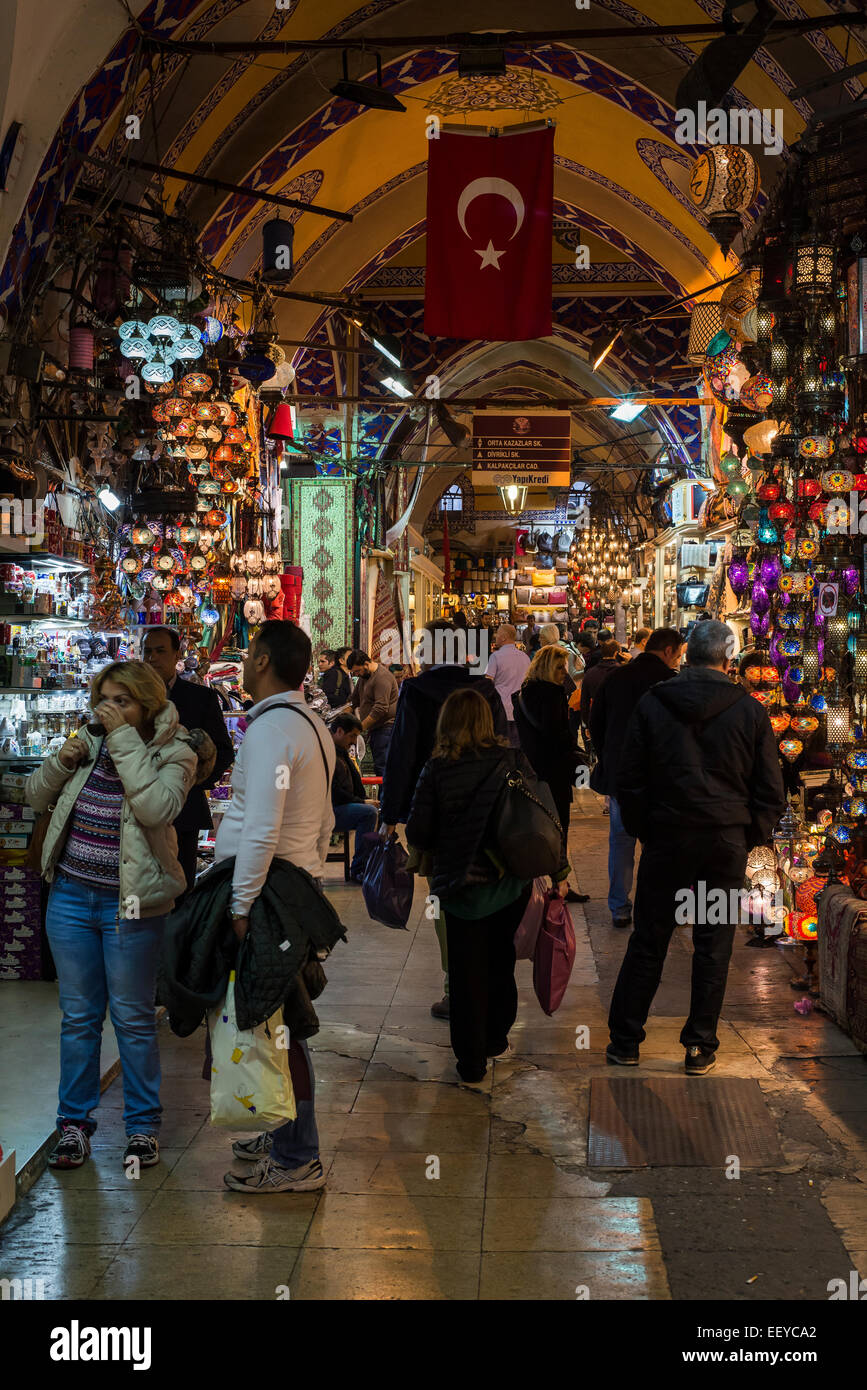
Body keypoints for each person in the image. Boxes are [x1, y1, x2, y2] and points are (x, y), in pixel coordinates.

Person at [26, 662, 197, 1171]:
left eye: (123, 700)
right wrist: (62, 759)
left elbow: (156, 809)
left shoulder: (176, 751)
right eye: (105, 698)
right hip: (73, 898)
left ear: (147, 704)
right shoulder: (87, 742)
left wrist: (120, 739)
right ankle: (74, 1126)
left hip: (132, 904)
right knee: (78, 1019)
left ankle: (142, 1128)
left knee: (133, 1019)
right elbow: (34, 795)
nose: (110, 709)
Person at [607, 620, 786, 1074]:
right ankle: (699, 1045)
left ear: (686, 654)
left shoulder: (654, 702)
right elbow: (770, 790)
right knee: (713, 943)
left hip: (668, 838)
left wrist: (648, 828)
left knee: (650, 940)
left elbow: (629, 778)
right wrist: (746, 836)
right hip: (722, 842)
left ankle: (626, 1041)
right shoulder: (749, 711)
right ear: (728, 659)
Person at [219, 620, 336, 1193]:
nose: (243, 664)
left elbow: (262, 827)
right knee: (275, 1023)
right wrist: (309, 873)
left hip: (270, 896)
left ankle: (298, 1158)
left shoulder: (271, 732)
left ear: (263, 660)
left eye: (247, 655)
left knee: (286, 1026)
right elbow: (326, 821)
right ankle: (280, 1128)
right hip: (292, 887)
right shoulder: (311, 725)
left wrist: (242, 905)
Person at [406, 689, 562, 1083]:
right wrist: (558, 871)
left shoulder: (437, 767)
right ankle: (495, 1039)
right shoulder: (512, 758)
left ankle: (470, 1062)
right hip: (509, 884)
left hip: (460, 889)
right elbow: (540, 815)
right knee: (500, 964)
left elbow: (419, 829)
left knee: (464, 972)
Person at [380, 620, 507, 1020]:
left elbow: (401, 755)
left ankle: (456, 986)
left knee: (445, 899)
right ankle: (489, 982)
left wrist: (390, 813)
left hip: (435, 815)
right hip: (491, 815)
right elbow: (505, 749)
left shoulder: (417, 691)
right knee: (493, 896)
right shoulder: (484, 690)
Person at [589, 627, 685, 928]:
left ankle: (619, 906)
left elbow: (595, 724)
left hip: (621, 776)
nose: (678, 661)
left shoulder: (615, 678)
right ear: (668, 651)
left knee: (621, 839)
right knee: (661, 842)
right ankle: (659, 905)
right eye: (678, 655)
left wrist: (609, 757)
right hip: (662, 777)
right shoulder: (672, 683)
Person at [142, 627, 234, 894]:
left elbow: (223, 750)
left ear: (176, 655)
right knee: (141, 889)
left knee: (179, 890)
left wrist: (192, 781)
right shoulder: (131, 698)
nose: (153, 658)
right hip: (138, 810)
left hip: (184, 811)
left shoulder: (201, 698)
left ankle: (179, 936)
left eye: (160, 651)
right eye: (148, 651)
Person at [514, 645, 589, 904]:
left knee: (534, 828)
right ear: (548, 667)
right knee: (558, 828)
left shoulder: (522, 695)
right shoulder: (553, 695)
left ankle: (536, 885)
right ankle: (561, 884)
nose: (564, 672)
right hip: (553, 772)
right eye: (559, 667)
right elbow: (559, 735)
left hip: (531, 771)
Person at [330, 712, 379, 880]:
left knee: (371, 810)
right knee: (368, 813)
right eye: (352, 736)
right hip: (328, 811)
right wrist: (363, 802)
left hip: (338, 807)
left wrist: (365, 800)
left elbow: (354, 782)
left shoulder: (340, 752)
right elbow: (334, 792)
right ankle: (359, 868)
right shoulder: (328, 753)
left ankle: (366, 865)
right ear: (340, 732)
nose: (353, 741)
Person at [348, 649, 399, 776]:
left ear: (366, 664)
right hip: (375, 728)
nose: (356, 674)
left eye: (357, 671)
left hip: (386, 728)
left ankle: (385, 796)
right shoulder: (364, 677)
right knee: (379, 765)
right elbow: (354, 700)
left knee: (383, 768)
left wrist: (359, 729)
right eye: (354, 672)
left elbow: (380, 709)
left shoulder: (382, 678)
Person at [484, 622, 530, 747]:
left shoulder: (496, 657)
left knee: (503, 746)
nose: (495, 637)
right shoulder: (525, 658)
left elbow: (488, 682)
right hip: (521, 708)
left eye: (497, 634)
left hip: (501, 709)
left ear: (504, 637)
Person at [579, 639, 621, 726]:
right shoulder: (622, 672)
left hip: (596, 717)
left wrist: (586, 722)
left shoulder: (590, 673)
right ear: (616, 653)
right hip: (617, 719)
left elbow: (584, 701)